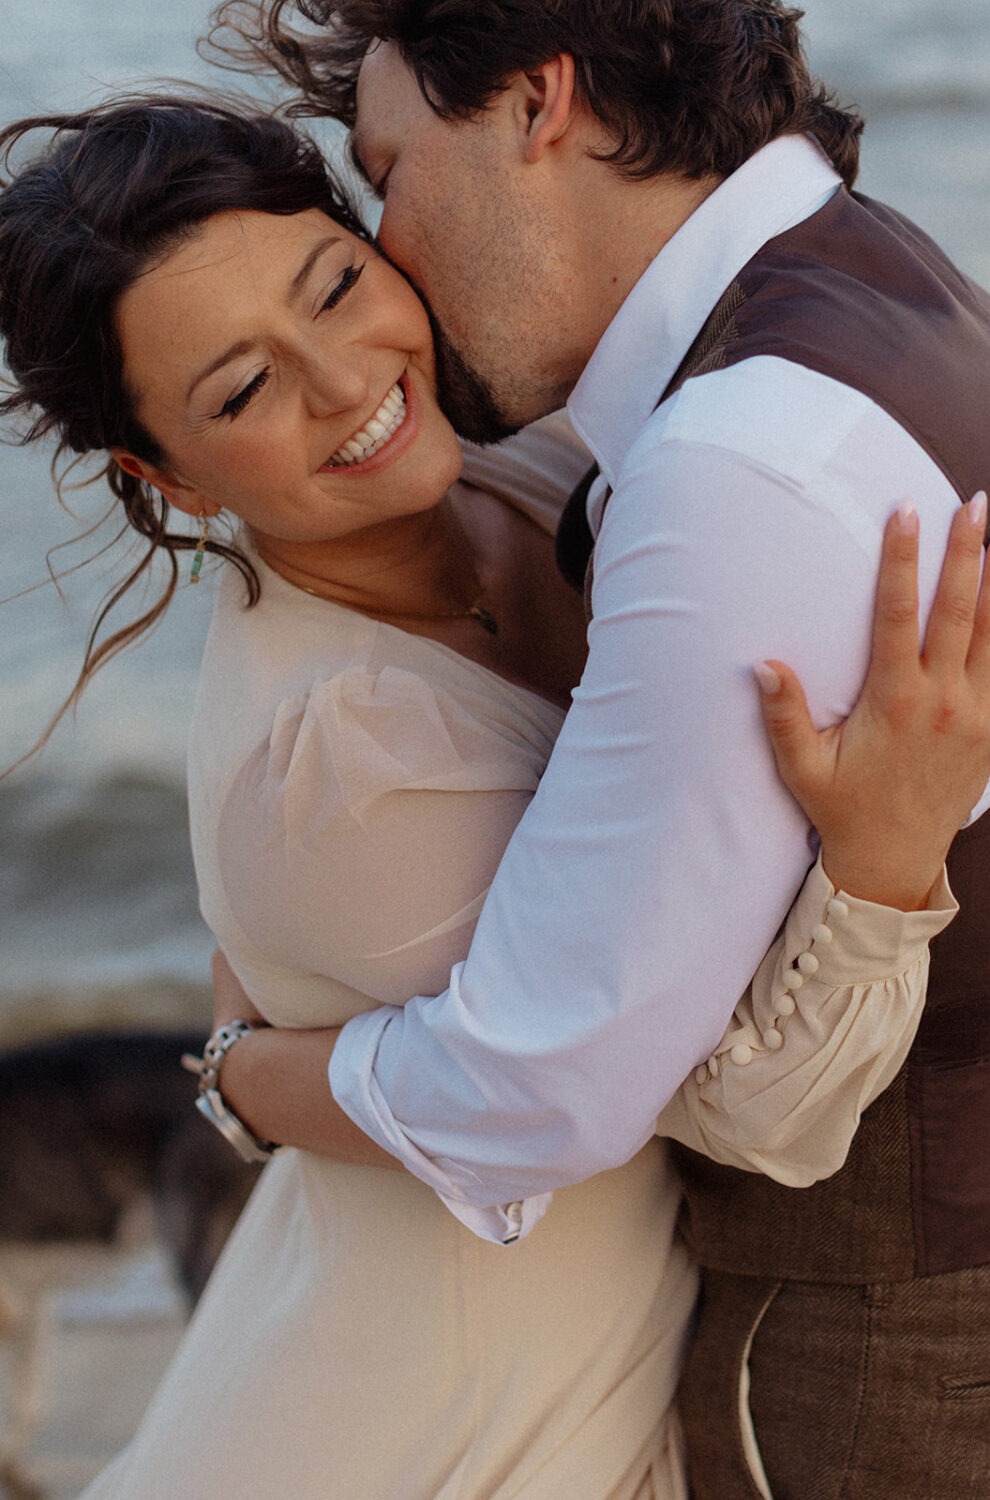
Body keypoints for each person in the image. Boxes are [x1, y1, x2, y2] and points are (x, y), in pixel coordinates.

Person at [0, 95, 985, 1500]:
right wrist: (885, 857)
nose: (343, 383)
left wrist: (252, 1074)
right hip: (475, 1424)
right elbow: (730, 1110)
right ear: (165, 477)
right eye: (241, 392)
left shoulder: (544, 465)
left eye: (335, 285)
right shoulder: (343, 767)